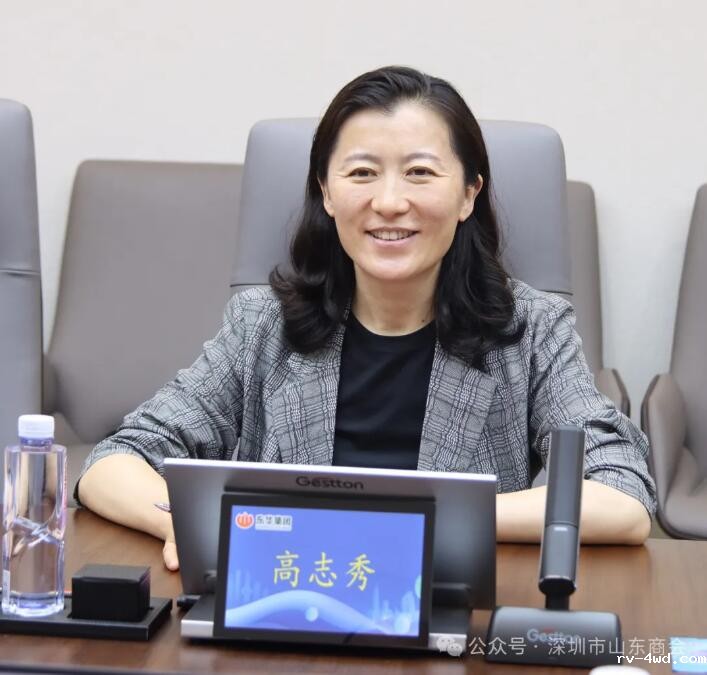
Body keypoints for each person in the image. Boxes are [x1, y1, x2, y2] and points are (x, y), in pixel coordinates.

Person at [76, 66, 656, 570]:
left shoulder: (530, 329)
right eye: (361, 173)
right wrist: (182, 520)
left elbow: (623, 497)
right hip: (291, 602)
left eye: (420, 172)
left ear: (468, 194)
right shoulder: (263, 325)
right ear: (326, 193)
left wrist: (427, 521)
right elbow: (114, 461)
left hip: (451, 610)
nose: (389, 202)